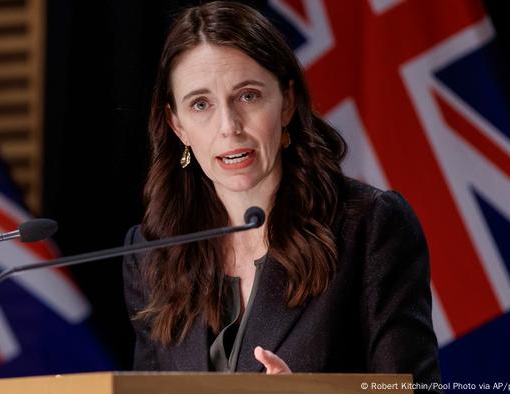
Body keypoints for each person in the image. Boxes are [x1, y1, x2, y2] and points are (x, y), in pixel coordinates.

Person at [122, 0, 441, 387]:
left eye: (248, 95)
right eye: (201, 104)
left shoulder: (370, 226)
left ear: (287, 101)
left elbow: (412, 388)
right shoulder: (152, 254)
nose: (229, 126)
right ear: (178, 126)